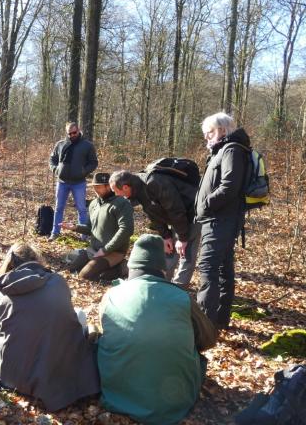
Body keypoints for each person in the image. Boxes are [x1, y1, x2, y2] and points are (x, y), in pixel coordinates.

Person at [0, 242, 100, 411]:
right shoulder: (59, 281)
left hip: (14, 374)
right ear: (37, 259)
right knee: (78, 314)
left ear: (10, 264)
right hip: (59, 371)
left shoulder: (4, 291)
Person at [95, 234, 214, 424]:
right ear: (162, 268)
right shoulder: (182, 297)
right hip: (177, 401)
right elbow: (208, 340)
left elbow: (106, 335)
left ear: (131, 267)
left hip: (117, 396)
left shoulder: (111, 295)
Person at [195, 112, 251, 330]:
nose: (207, 137)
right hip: (218, 219)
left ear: (222, 130)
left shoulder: (232, 150)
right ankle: (219, 320)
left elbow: (229, 186)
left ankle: (204, 323)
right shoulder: (223, 150)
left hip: (221, 219)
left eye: (209, 132)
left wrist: (207, 204)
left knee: (208, 266)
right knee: (222, 268)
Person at [110, 170, 200, 286]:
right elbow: (153, 214)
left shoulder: (154, 182)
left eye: (115, 191)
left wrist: (182, 238)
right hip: (177, 217)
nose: (116, 194)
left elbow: (176, 210)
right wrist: (166, 236)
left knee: (186, 252)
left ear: (125, 187)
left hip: (192, 213)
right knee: (170, 248)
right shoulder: (139, 190)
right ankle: (163, 283)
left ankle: (179, 288)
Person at [61, 172, 134, 282]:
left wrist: (105, 250)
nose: (96, 190)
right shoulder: (94, 204)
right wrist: (76, 227)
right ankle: (102, 266)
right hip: (93, 250)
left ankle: (121, 267)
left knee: (87, 276)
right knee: (71, 269)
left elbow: (126, 229)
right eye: (94, 187)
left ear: (109, 186)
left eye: (98, 187)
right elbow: (91, 229)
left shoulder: (122, 203)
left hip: (113, 252)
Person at [47, 122, 98, 241]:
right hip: (62, 182)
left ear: (79, 130)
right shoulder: (60, 144)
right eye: (69, 133)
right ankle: (55, 232)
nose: (72, 135)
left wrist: (83, 171)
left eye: (74, 132)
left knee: (81, 209)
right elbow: (52, 160)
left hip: (79, 183)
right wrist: (56, 169)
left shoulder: (87, 145)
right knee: (59, 208)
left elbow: (93, 162)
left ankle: (84, 235)